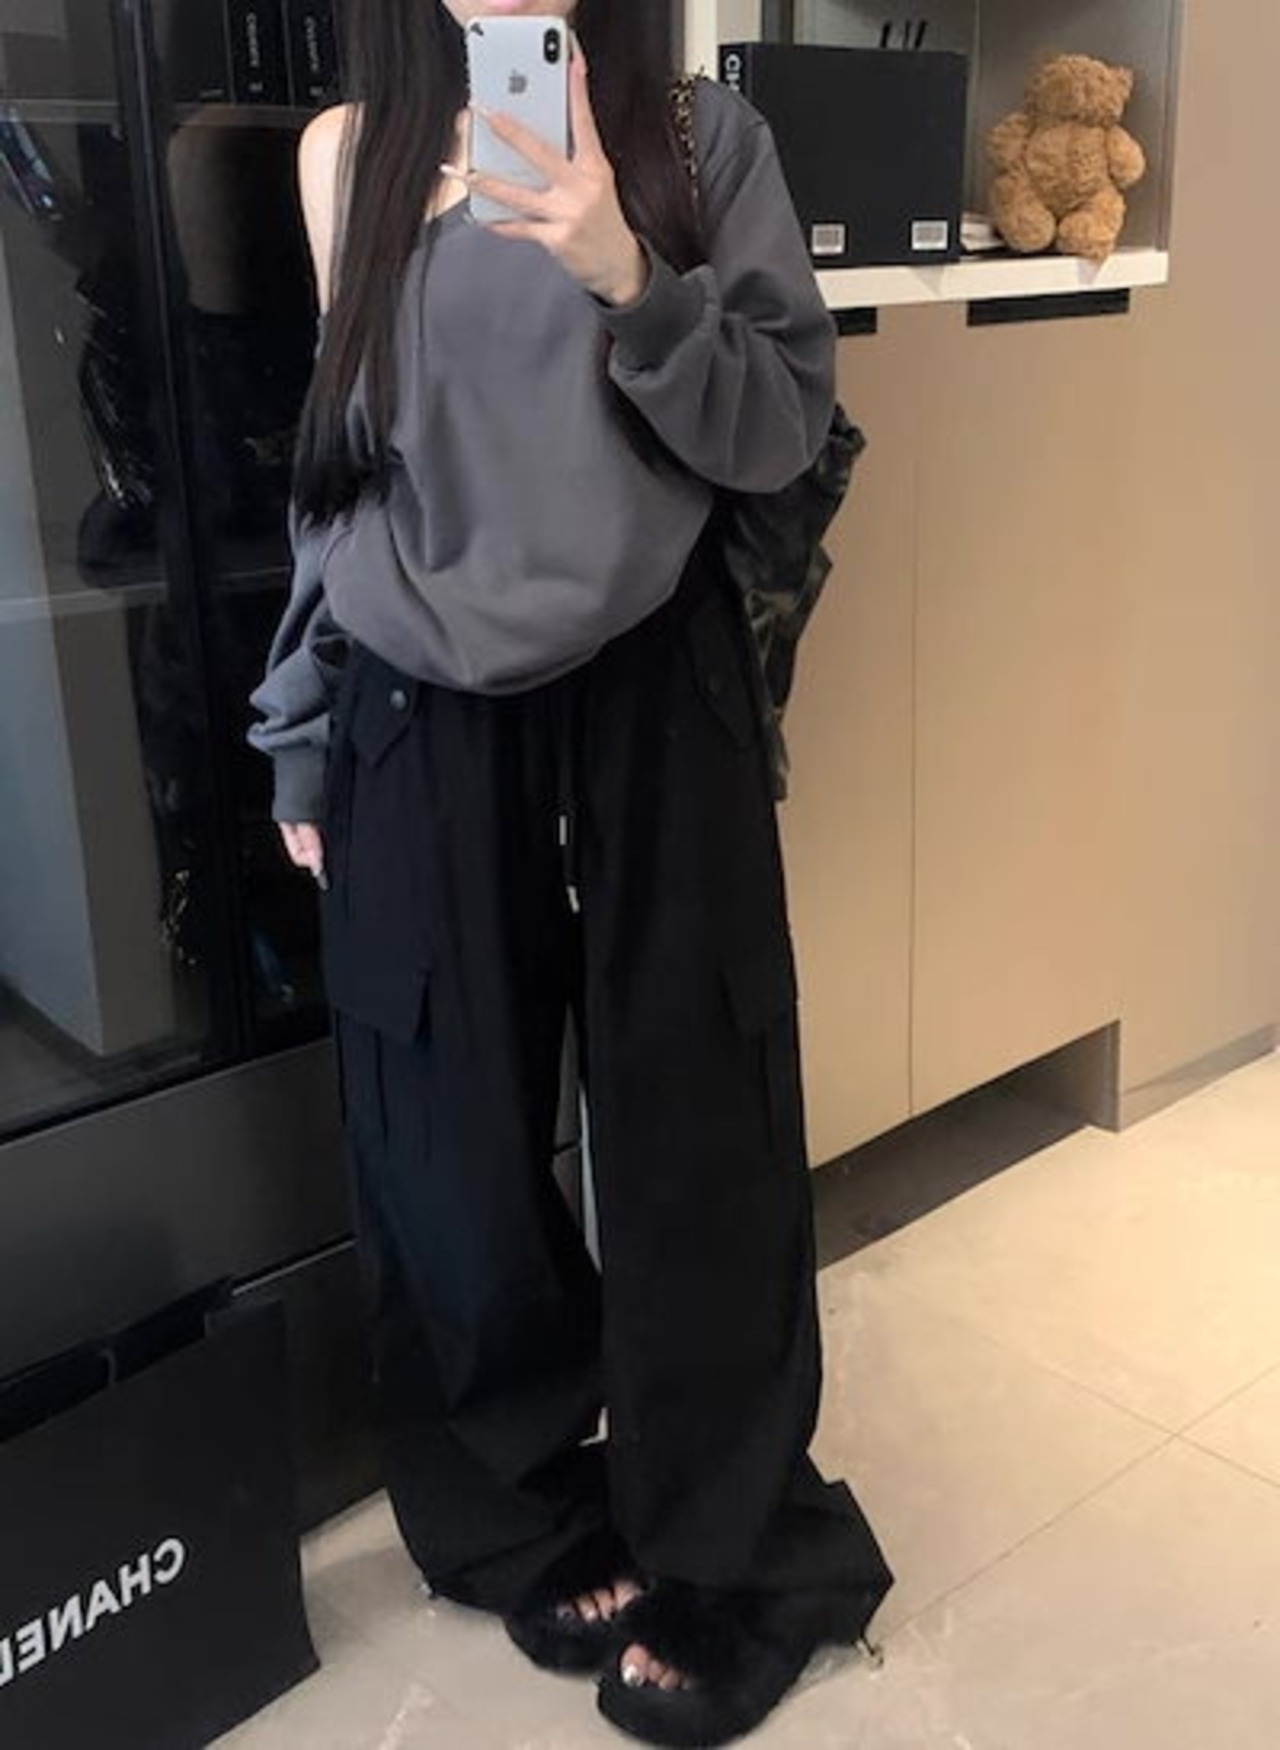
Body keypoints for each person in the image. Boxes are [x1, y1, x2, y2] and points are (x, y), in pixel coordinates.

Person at [247, 1, 893, 1742]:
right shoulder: (346, 158)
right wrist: (298, 720)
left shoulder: (693, 142)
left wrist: (626, 271)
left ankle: (737, 1547)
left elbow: (782, 425)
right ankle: (520, 1501)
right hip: (410, 695)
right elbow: (339, 471)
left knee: (697, 1111)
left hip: (651, 681)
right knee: (440, 1122)